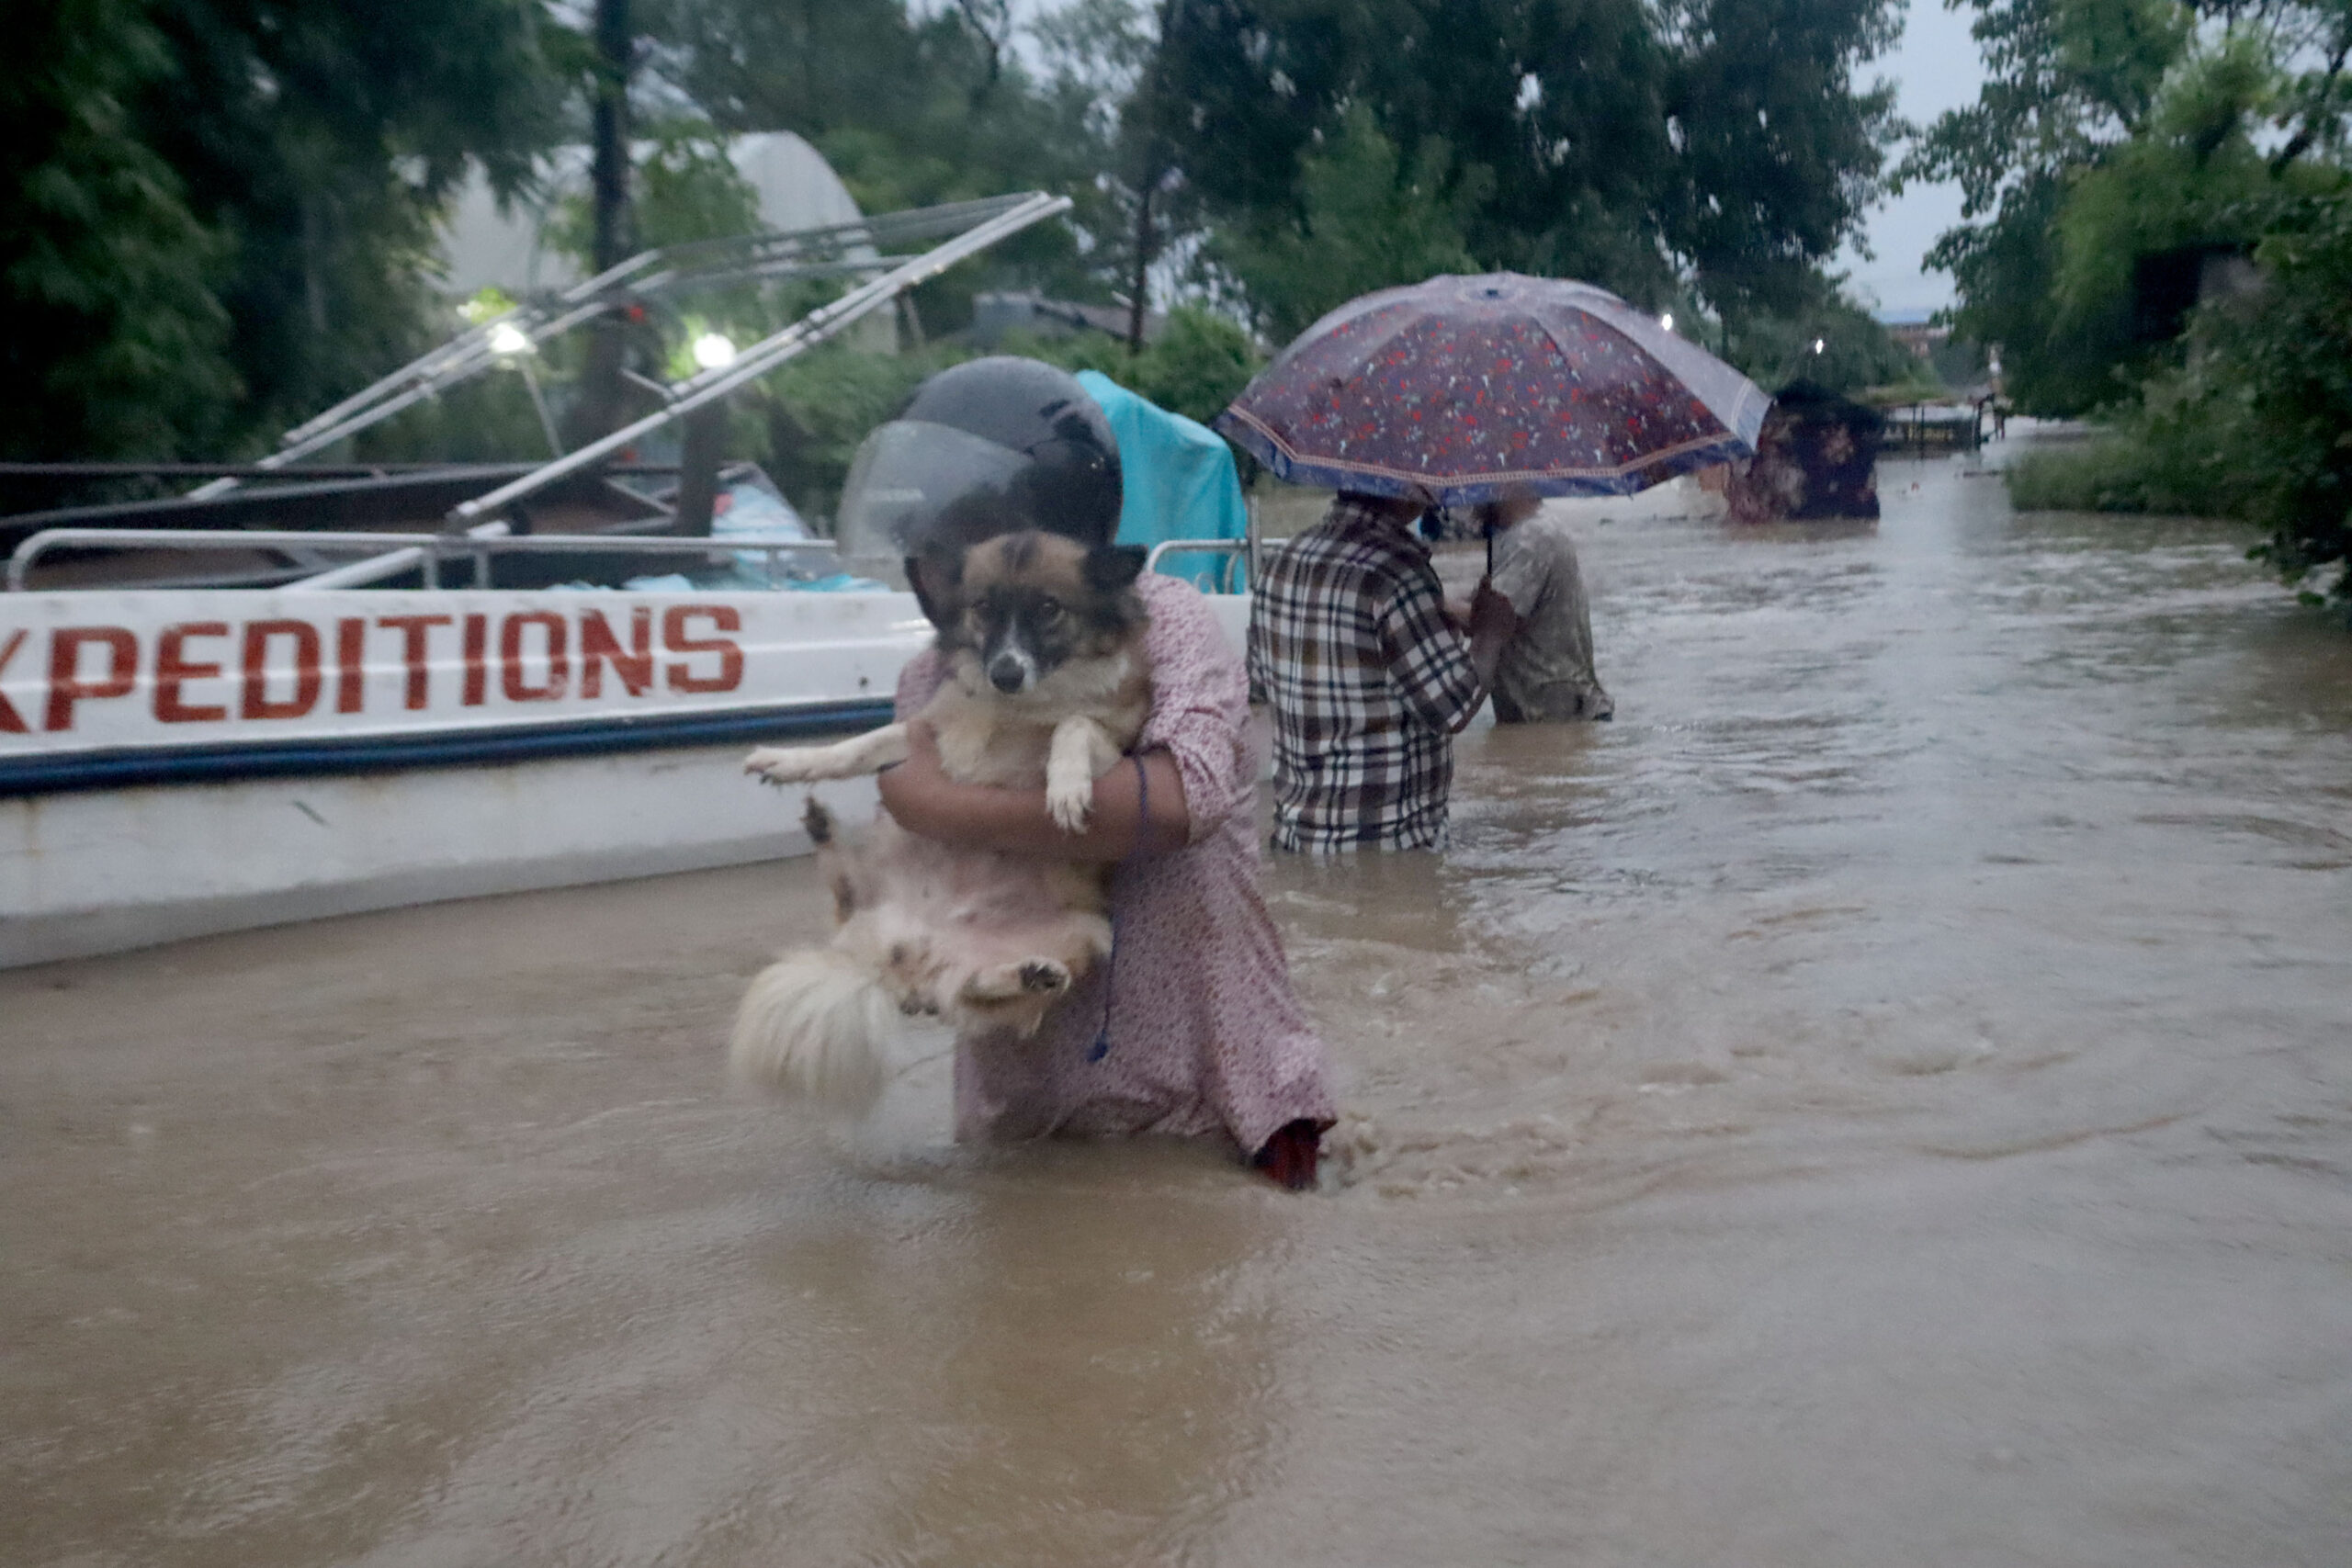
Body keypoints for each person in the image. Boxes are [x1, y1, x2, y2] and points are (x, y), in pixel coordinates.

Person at [852, 358, 1335, 1190]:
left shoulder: (1166, 616)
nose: (929, 558)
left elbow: (1182, 800)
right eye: (928, 538)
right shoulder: (936, 670)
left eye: (955, 529)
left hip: (1211, 1094)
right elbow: (914, 860)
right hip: (1029, 1103)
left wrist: (938, 801)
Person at [1247, 490, 1513, 852]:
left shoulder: (1282, 561)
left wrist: (1435, 616)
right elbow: (1454, 706)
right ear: (1402, 487)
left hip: (1298, 838)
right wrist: (1491, 634)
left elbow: (1260, 685)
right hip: (1390, 845)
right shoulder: (1399, 573)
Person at [1474, 489, 1614, 723]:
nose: (1470, 497)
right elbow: (1489, 603)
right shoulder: (1533, 529)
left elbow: (1496, 618)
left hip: (1552, 718)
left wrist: (1432, 605)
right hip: (1559, 712)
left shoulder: (1529, 538)